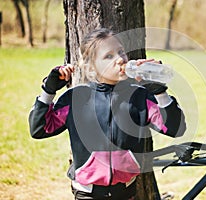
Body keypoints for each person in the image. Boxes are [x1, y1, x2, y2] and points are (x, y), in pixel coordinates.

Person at [28, 28, 186, 200]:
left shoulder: (140, 96)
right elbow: (39, 129)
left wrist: (159, 91)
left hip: (125, 192)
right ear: (91, 66)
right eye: (108, 56)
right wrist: (48, 91)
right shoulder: (77, 98)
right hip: (87, 193)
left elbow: (175, 128)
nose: (120, 59)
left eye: (120, 52)